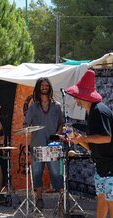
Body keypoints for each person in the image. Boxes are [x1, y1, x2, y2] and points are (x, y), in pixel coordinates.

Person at [66, 70, 113, 218]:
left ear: (83, 97)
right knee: (102, 198)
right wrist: (79, 140)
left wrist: (84, 138)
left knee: (112, 200)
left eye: (77, 96)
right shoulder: (91, 112)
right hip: (103, 163)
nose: (76, 100)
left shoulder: (99, 111)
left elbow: (106, 138)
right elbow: (94, 144)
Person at [24, 77, 64, 209]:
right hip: (38, 144)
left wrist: (57, 134)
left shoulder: (57, 106)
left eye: (47, 85)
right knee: (37, 172)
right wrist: (26, 125)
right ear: (38, 88)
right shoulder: (33, 107)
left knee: (56, 172)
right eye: (42, 85)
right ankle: (39, 198)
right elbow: (26, 123)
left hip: (53, 145)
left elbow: (61, 123)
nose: (45, 87)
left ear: (50, 88)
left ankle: (61, 200)